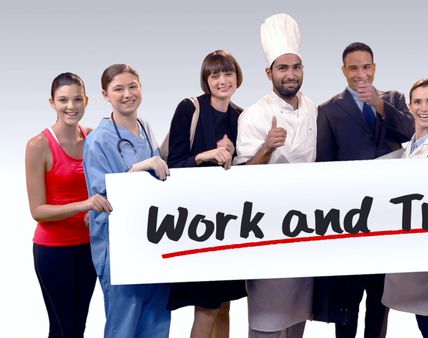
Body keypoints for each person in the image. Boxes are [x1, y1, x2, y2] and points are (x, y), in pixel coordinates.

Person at [313, 41, 414, 338]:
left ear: (374, 68)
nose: (361, 74)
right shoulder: (329, 110)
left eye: (366, 67)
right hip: (351, 222)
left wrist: (379, 105)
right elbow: (325, 165)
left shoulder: (393, 99)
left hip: (388, 216)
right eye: (353, 68)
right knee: (347, 300)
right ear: (344, 71)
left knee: (380, 300)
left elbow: (410, 133)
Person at [234, 13, 316, 338]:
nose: (290, 74)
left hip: (307, 228)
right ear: (269, 72)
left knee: (298, 321)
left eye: (296, 67)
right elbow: (242, 178)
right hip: (267, 231)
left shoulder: (312, 109)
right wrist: (267, 148)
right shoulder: (254, 116)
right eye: (283, 68)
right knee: (266, 323)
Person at [83, 64, 171, 338]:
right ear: (105, 94)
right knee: (123, 327)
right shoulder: (98, 141)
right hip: (119, 247)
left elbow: (159, 169)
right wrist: (136, 171)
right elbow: (102, 198)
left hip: (153, 242)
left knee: (157, 324)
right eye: (118, 89)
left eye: (133, 86)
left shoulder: (145, 127)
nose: (127, 94)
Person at [166, 50, 247, 338]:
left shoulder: (241, 117)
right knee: (206, 306)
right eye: (215, 75)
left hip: (229, 221)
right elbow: (174, 165)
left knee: (225, 304)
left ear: (237, 77)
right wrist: (205, 156)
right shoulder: (189, 109)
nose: (222, 80)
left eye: (228, 74)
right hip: (197, 222)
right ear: (206, 80)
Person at [26, 72, 111, 338]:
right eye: (63, 100)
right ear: (52, 102)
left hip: (89, 246)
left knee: (76, 327)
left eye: (77, 99)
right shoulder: (39, 145)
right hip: (54, 251)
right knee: (66, 329)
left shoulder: (93, 138)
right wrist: (84, 205)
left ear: (86, 100)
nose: (71, 106)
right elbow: (37, 211)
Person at [381, 78, 428, 338]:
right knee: (425, 318)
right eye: (418, 102)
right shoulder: (411, 146)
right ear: (410, 107)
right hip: (410, 248)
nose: (424, 108)